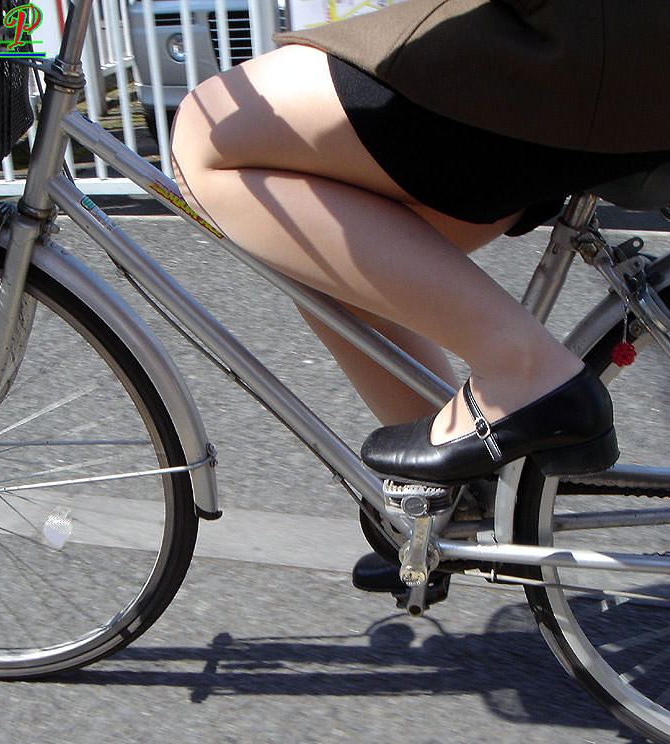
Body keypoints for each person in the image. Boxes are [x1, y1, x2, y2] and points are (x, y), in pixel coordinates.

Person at [171, 0, 670, 590]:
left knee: (207, 134)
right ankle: (441, 500)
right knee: (306, 227)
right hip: (599, 44)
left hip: (585, 43)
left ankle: (524, 368)